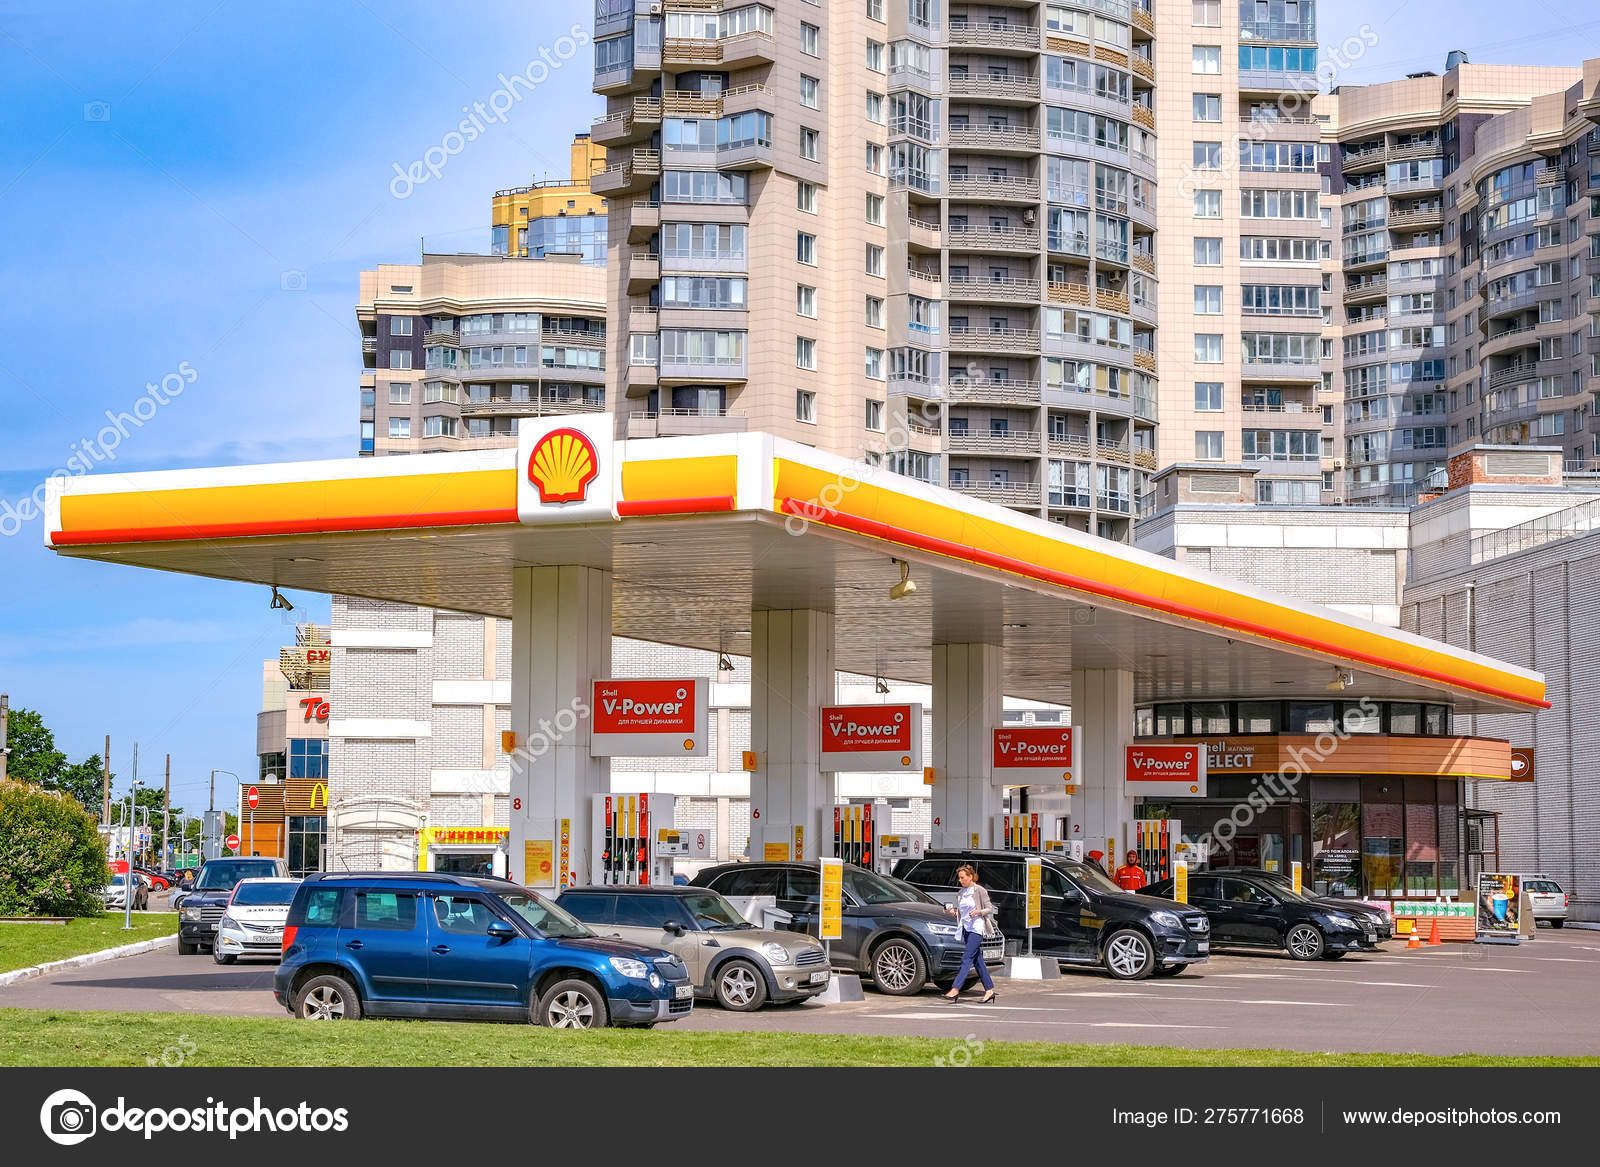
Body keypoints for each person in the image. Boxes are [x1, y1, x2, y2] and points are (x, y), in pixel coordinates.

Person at [942, 864, 998, 1004]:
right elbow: (962, 912)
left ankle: (955, 988)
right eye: (959, 878)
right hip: (966, 928)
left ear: (971, 877)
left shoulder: (979, 890)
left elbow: (989, 908)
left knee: (966, 958)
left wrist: (978, 912)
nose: (960, 880)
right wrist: (953, 911)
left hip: (977, 928)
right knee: (977, 961)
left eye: (962, 878)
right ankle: (989, 990)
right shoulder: (961, 892)